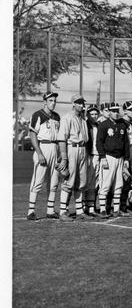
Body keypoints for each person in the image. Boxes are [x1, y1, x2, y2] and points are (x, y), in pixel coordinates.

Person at [27, 91, 61, 220]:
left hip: (54, 147)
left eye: (54, 100)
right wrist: (39, 153)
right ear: (45, 102)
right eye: (50, 100)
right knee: (38, 181)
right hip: (43, 147)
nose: (53, 103)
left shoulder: (57, 116)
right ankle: (31, 211)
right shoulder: (37, 115)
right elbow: (32, 134)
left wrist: (59, 153)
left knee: (54, 182)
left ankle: (50, 210)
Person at [56, 94, 90, 221]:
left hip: (82, 149)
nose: (82, 105)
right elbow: (61, 139)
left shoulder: (82, 120)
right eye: (79, 102)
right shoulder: (67, 118)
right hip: (72, 148)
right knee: (68, 180)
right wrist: (64, 158)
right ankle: (63, 211)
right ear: (73, 104)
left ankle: (80, 211)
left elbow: (86, 139)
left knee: (81, 181)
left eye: (82, 102)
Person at [97, 102, 130, 218]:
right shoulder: (104, 125)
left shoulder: (122, 125)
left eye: (117, 111)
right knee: (105, 184)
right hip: (108, 157)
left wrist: (126, 158)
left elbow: (126, 142)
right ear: (109, 112)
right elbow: (99, 142)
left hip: (120, 158)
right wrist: (102, 157)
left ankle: (116, 210)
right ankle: (102, 210)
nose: (116, 113)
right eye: (113, 111)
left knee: (118, 184)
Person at [84, 105, 101, 217]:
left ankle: (91, 207)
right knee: (86, 181)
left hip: (98, 155)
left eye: (96, 114)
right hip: (88, 155)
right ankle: (83, 207)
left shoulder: (99, 126)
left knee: (95, 183)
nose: (94, 116)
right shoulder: (85, 125)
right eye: (92, 114)